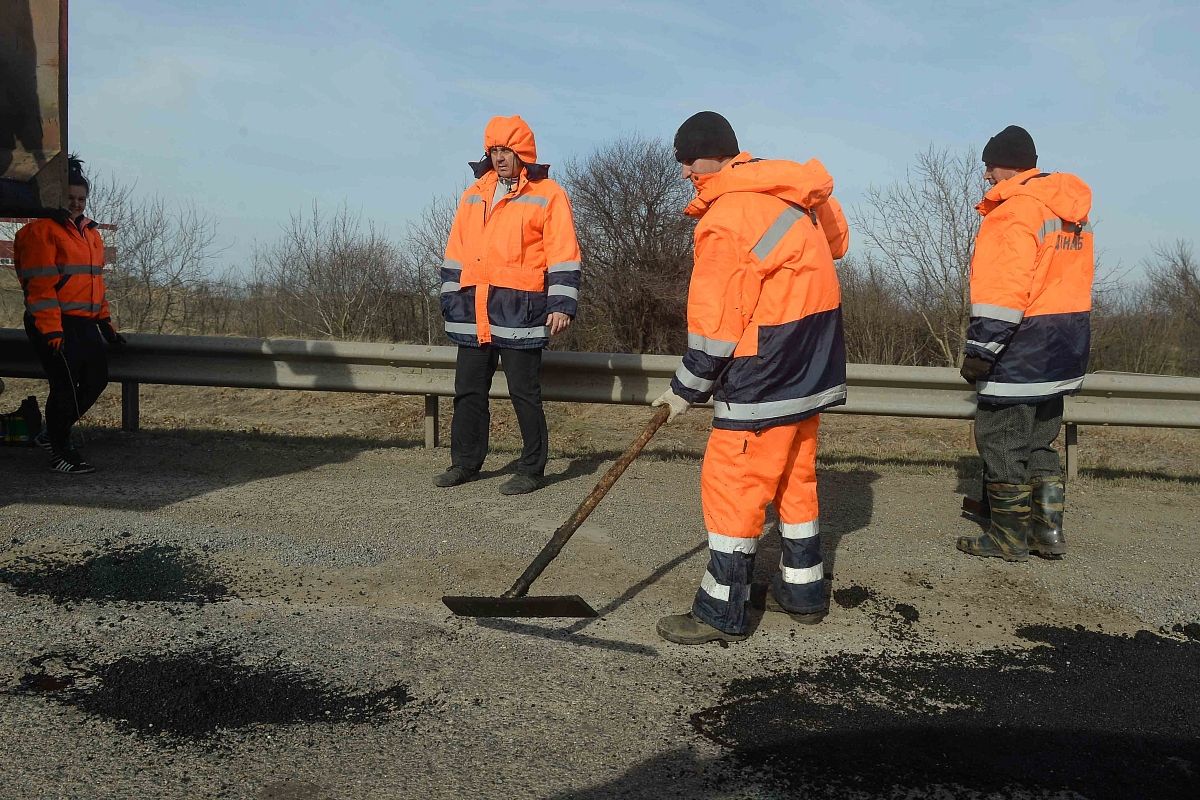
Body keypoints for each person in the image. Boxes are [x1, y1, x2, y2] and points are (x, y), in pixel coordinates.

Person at [651, 112, 850, 645]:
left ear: (711, 155)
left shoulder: (727, 216)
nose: (686, 171)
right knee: (795, 483)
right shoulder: (793, 192)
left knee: (733, 489)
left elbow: (716, 319)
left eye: (688, 160)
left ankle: (719, 613)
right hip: (811, 367)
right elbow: (838, 243)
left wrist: (685, 388)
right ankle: (803, 594)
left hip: (763, 374)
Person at [957, 125, 1094, 562]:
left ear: (1005, 166)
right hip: (1065, 346)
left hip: (1022, 347)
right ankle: (1047, 533)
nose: (986, 177)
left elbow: (1002, 293)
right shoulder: (1071, 212)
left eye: (989, 167)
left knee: (1000, 440)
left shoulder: (1013, 213)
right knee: (1040, 442)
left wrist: (981, 351)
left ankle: (1008, 537)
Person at [434, 115, 581, 495]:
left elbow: (563, 253)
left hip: (521, 311)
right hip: (474, 310)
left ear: (523, 153)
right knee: (468, 391)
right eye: (494, 150)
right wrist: (450, 296)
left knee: (524, 394)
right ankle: (464, 464)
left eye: (506, 151)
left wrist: (562, 303)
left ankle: (532, 469)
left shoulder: (549, 194)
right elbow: (456, 252)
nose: (499, 158)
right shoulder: (473, 195)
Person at [14, 155, 125, 474]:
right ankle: (61, 452)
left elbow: (93, 284)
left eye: (81, 199)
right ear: (56, 198)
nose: (76, 204)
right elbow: (40, 289)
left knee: (97, 378)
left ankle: (53, 432)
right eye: (70, 199)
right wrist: (51, 331)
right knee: (63, 385)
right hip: (52, 321)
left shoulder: (91, 233)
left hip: (83, 321)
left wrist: (106, 325)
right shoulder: (41, 232)